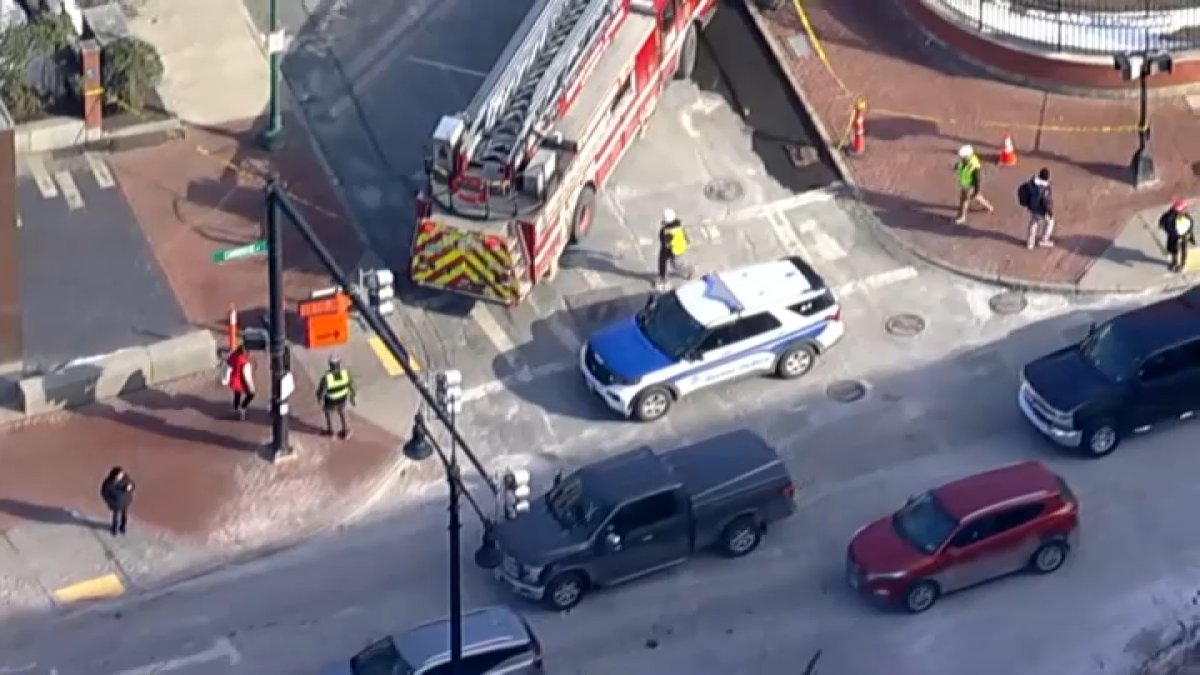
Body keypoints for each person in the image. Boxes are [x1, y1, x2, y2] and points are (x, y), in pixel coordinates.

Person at [953, 145, 994, 225]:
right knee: (977, 196)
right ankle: (989, 207)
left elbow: (978, 179)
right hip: (966, 184)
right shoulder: (967, 160)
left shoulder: (974, 166)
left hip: (969, 185)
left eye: (963, 157)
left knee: (964, 201)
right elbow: (962, 165)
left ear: (968, 155)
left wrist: (976, 190)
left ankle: (962, 217)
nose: (961, 158)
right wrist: (957, 166)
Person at [316, 354, 355, 439]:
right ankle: (345, 431)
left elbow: (321, 391)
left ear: (330, 365)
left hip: (330, 401)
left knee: (329, 414)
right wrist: (352, 398)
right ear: (339, 364)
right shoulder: (345, 374)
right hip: (342, 399)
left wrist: (319, 399)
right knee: (342, 413)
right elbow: (351, 386)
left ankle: (331, 431)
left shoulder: (326, 378)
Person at [1017, 167, 1055, 249]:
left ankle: (1030, 243)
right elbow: (1046, 202)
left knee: (1033, 224)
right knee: (1050, 222)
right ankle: (1044, 239)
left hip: (1032, 208)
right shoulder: (1045, 188)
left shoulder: (1031, 183)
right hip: (1041, 210)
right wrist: (1050, 212)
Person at [656, 209, 693, 289]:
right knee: (663, 261)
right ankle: (663, 278)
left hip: (674, 250)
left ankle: (690, 269)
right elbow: (684, 233)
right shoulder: (679, 225)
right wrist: (687, 241)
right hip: (680, 248)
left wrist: (666, 246)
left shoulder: (667, 232)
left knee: (675, 265)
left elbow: (666, 243)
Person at [1159, 199, 1196, 272]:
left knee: (1182, 249)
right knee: (1174, 249)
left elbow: (1190, 223)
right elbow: (1167, 226)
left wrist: (1189, 233)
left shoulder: (1183, 215)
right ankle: (1175, 262)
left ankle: (1181, 264)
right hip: (1176, 236)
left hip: (1182, 235)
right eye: (1184, 209)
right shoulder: (1170, 217)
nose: (1185, 210)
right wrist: (1176, 235)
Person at [223, 344, 255, 420]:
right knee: (251, 394)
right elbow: (247, 376)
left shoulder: (234, 355)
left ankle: (236, 408)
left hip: (234, 380)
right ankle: (242, 408)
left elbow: (228, 364)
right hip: (242, 381)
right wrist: (251, 385)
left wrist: (226, 378)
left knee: (237, 394)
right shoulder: (244, 361)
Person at [100, 467, 134, 536]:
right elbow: (104, 493)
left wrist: (130, 487)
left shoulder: (125, 478)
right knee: (115, 516)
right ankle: (114, 528)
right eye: (120, 474)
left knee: (124, 515)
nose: (122, 475)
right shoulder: (109, 483)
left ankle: (122, 527)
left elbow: (132, 484)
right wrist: (109, 501)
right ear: (115, 475)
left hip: (124, 501)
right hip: (115, 503)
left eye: (122, 474)